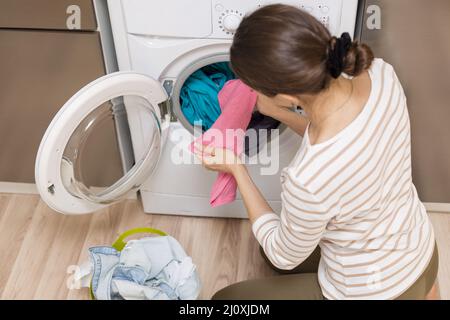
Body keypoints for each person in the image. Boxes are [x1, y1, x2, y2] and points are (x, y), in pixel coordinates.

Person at [194, 4, 438, 300]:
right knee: (270, 246)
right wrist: (280, 113)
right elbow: (343, 138)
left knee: (227, 300)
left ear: (286, 96)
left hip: (374, 292)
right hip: (421, 252)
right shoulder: (381, 72)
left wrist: (236, 168)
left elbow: (284, 255)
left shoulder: (307, 179)